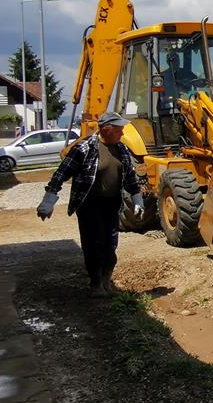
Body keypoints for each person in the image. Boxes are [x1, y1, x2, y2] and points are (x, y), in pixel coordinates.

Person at [36, 111, 145, 297]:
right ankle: (96, 284)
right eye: (119, 130)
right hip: (89, 205)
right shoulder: (84, 149)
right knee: (94, 243)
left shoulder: (122, 150)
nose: (122, 134)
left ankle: (105, 282)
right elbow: (61, 174)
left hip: (111, 205)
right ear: (107, 130)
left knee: (110, 244)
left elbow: (130, 178)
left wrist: (137, 199)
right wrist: (48, 201)